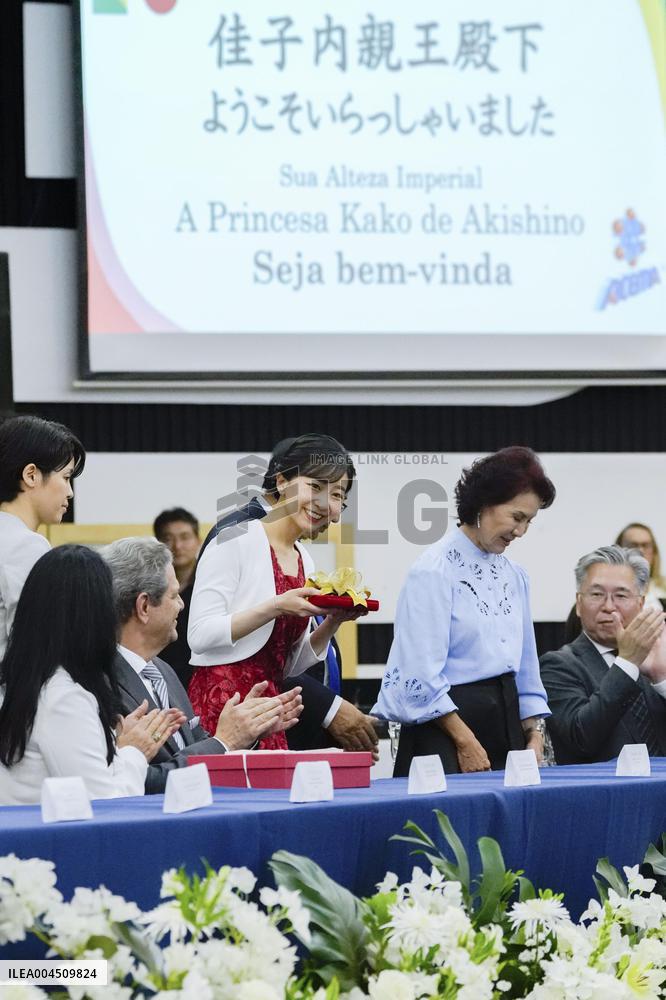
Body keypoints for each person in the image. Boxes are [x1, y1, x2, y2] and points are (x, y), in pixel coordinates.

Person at [372, 446, 555, 776]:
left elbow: (527, 667)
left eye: (529, 521)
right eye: (517, 517)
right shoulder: (433, 570)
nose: (521, 531)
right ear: (484, 503)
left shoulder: (515, 576)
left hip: (505, 723)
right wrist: (464, 740)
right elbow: (419, 673)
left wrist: (534, 733)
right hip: (444, 729)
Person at [197, 435, 379, 756]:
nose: (324, 503)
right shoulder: (234, 538)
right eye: (315, 486)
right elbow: (200, 636)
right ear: (281, 481)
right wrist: (277, 606)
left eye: (337, 495)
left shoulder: (303, 558)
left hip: (271, 715)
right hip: (227, 709)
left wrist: (332, 622)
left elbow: (289, 665)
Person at [101, 537, 304, 793]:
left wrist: (247, 732)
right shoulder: (100, 682)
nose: (181, 604)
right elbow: (138, 781)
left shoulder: (163, 671)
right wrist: (225, 741)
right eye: (174, 595)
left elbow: (196, 748)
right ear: (144, 606)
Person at [0, 546, 181, 805]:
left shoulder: (28, 682)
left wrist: (117, 748)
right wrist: (135, 752)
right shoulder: (64, 698)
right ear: (93, 616)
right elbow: (104, 805)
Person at [540, 545, 666, 764]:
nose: (609, 606)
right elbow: (580, 738)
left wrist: (661, 679)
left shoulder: (657, 656)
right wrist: (627, 662)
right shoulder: (558, 665)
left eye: (621, 595)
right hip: (606, 785)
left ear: (641, 604)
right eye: (597, 594)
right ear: (579, 604)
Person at [0, 415, 85, 660]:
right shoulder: (26, 545)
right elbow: (36, 646)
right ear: (31, 475)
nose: (70, 492)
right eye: (66, 477)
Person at [153, 507, 201, 688]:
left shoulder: (210, 583)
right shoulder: (149, 587)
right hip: (161, 677)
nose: (177, 546)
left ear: (198, 541)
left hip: (200, 677)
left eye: (185, 537)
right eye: (168, 539)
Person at [615, 523, 666, 610]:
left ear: (654, 552)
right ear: (618, 550)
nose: (640, 550)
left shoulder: (663, 591)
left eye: (645, 545)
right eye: (633, 545)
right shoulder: (604, 590)